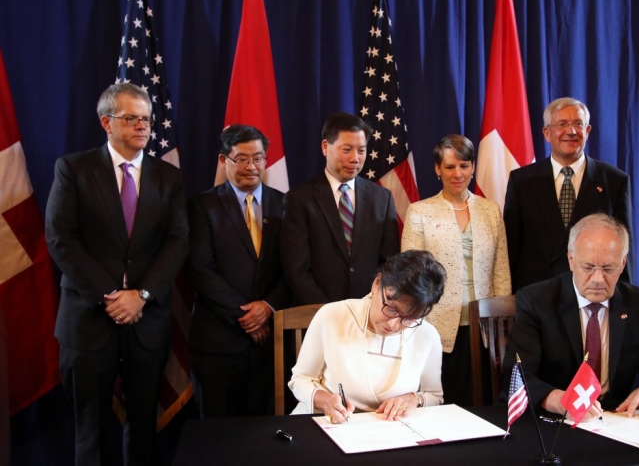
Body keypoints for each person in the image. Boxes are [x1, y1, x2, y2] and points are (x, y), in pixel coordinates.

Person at [45, 83, 188, 464]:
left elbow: (177, 241)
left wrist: (140, 296)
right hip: (89, 319)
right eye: (131, 119)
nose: (142, 126)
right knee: (90, 430)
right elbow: (61, 239)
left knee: (143, 429)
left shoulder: (168, 177)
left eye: (146, 119)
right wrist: (111, 295)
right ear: (107, 122)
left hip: (147, 320)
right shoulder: (74, 169)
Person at [502, 214, 639, 423]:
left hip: (615, 419)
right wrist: (559, 400)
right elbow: (516, 377)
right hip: (554, 423)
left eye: (608, 268)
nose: (598, 279)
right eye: (588, 267)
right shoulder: (537, 301)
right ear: (571, 260)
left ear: (623, 263)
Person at [187, 125, 289, 418]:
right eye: (241, 159)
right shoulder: (202, 206)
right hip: (219, 344)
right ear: (224, 161)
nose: (251, 167)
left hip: (271, 344)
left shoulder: (285, 204)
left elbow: (292, 268)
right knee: (219, 439)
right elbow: (200, 269)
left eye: (258, 158)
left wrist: (267, 307)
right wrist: (247, 316)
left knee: (264, 437)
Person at [401, 134, 511, 406]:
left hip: (485, 327)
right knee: (445, 403)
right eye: (449, 167)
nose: (457, 173)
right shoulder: (419, 212)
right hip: (436, 326)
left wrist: (503, 321)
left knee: (485, 402)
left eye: (463, 165)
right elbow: (412, 276)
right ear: (438, 169)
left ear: (473, 167)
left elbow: (501, 270)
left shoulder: (490, 210)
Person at [289, 250, 446, 423]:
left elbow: (434, 396)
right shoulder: (332, 316)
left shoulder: (427, 334)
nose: (393, 325)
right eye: (392, 309)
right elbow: (300, 380)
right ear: (377, 284)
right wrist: (326, 401)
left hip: (390, 434)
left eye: (409, 319)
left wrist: (414, 399)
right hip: (327, 425)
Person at [504, 97, 633, 292]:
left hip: (592, 293)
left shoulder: (614, 181)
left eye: (578, 124)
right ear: (547, 133)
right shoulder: (521, 181)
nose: (571, 131)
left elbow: (622, 250)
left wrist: (624, 300)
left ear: (587, 131)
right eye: (562, 124)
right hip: (536, 297)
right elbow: (511, 249)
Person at [280, 112, 400, 305]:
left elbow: (389, 262)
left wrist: (372, 303)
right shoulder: (299, 199)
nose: (355, 158)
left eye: (361, 150)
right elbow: (296, 269)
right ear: (325, 147)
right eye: (347, 150)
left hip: (369, 311)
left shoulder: (382, 198)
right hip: (318, 315)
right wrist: (328, 312)